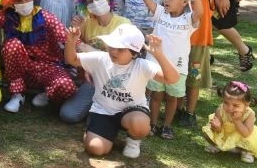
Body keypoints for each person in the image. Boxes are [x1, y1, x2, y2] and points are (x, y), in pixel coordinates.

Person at [64, 25, 179, 159]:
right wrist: (71, 42)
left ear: (134, 53)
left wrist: (159, 55)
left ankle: (134, 140)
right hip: (103, 111)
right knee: (95, 149)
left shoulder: (142, 65)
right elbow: (71, 59)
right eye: (112, 46)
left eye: (121, 49)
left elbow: (172, 79)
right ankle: (102, 132)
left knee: (140, 124)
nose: (114, 52)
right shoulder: (100, 58)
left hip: (132, 111)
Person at [0, 0, 75, 113]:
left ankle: (47, 93)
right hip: (23, 71)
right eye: (18, 1)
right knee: (11, 45)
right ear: (11, 2)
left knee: (67, 86)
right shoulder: (7, 17)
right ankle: (18, 94)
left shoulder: (47, 17)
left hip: (48, 68)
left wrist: (88, 54)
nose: (23, 3)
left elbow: (67, 38)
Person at [176, 0, 236, 128]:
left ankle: (190, 112)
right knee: (179, 77)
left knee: (193, 80)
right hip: (179, 43)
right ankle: (178, 109)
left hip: (198, 46)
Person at [143, 0, 203, 140]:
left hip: (178, 67)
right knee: (155, 96)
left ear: (184, 2)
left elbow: (199, 13)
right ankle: (153, 124)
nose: (166, 0)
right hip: (156, 64)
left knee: (172, 98)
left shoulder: (189, 19)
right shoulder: (161, 13)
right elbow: (148, 0)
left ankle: (167, 126)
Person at [203, 81, 257, 163]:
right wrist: (216, 127)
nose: (230, 108)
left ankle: (245, 152)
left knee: (250, 141)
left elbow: (246, 133)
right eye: (226, 103)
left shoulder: (250, 114)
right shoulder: (221, 110)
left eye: (235, 105)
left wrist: (237, 121)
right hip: (225, 135)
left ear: (246, 105)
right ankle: (217, 145)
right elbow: (217, 131)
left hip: (240, 136)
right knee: (207, 132)